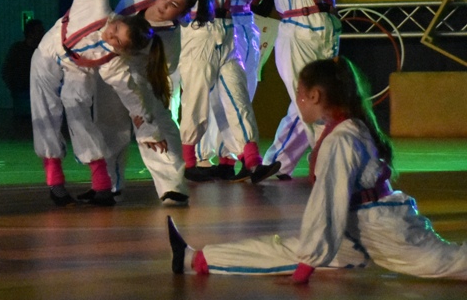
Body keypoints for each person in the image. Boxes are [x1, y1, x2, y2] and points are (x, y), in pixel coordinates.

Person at [168, 56, 467, 282]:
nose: (297, 101)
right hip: (355, 227)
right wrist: (310, 254)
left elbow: (329, 200)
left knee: (450, 261)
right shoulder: (339, 129)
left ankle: (199, 260)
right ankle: (195, 259)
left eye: (299, 93)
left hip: (381, 229)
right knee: (287, 250)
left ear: (314, 96)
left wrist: (308, 263)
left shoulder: (342, 139)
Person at [32, 0, 212, 207]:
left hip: (139, 79)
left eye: (173, 5)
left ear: (184, 13)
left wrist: (141, 106)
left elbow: (163, 71)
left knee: (154, 125)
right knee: (108, 125)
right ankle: (110, 185)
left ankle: (172, 186)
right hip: (106, 64)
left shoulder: (170, 38)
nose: (163, 4)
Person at [153, 0, 279, 184]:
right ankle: (189, 161)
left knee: (239, 98)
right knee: (196, 101)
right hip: (200, 42)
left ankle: (252, 161)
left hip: (228, 42)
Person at [262, 0, 349, 178]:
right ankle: (326, 161)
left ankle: (275, 163)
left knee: (302, 108)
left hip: (324, 45)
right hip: (296, 42)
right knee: (314, 103)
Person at [197, 0, 273, 178]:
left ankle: (229, 157)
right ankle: (211, 156)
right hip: (223, 29)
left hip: (246, 27)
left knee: (244, 94)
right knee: (220, 98)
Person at [1, 18, 44, 119]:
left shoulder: (42, 50)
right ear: (31, 33)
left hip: (38, 92)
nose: (43, 34)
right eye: (40, 31)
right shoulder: (18, 49)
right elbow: (7, 70)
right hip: (23, 92)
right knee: (24, 120)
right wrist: (15, 86)